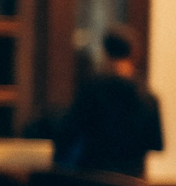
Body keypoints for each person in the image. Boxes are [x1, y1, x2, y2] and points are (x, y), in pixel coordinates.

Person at [49, 26, 162, 177]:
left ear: (105, 53)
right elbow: (156, 143)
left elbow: (70, 132)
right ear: (135, 52)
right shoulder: (147, 98)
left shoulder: (91, 91)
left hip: (94, 181)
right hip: (131, 184)